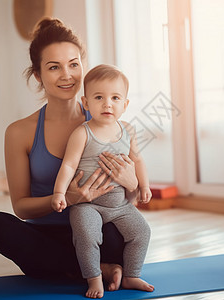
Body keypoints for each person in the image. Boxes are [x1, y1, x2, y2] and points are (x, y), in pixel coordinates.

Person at [0, 18, 141, 290]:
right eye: (54, 67)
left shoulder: (109, 122)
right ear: (39, 75)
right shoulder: (19, 132)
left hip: (98, 229)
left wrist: (132, 182)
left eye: (74, 64)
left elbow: (129, 200)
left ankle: (71, 268)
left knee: (122, 231)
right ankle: (91, 268)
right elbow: (20, 207)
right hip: (46, 236)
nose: (67, 75)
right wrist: (68, 198)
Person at [51, 64, 154, 298]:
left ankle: (131, 275)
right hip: (87, 206)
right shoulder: (82, 132)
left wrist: (144, 185)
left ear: (125, 105)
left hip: (120, 206)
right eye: (99, 97)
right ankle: (94, 278)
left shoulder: (128, 129)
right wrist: (59, 194)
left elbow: (137, 160)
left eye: (115, 98)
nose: (107, 104)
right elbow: (67, 165)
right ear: (86, 103)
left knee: (142, 232)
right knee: (86, 235)